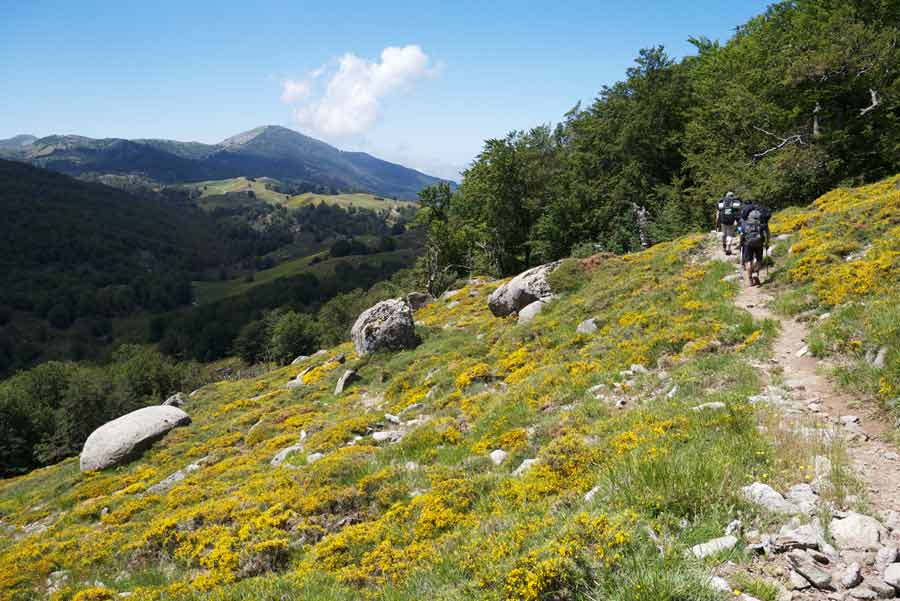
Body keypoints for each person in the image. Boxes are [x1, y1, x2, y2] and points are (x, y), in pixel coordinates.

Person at [739, 201, 771, 286]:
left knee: (748, 261)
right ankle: (756, 274)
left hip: (748, 242)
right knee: (759, 260)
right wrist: (767, 243)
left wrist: (740, 242)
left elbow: (741, 232)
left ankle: (750, 279)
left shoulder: (745, 219)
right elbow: (767, 233)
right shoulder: (762, 219)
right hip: (759, 242)